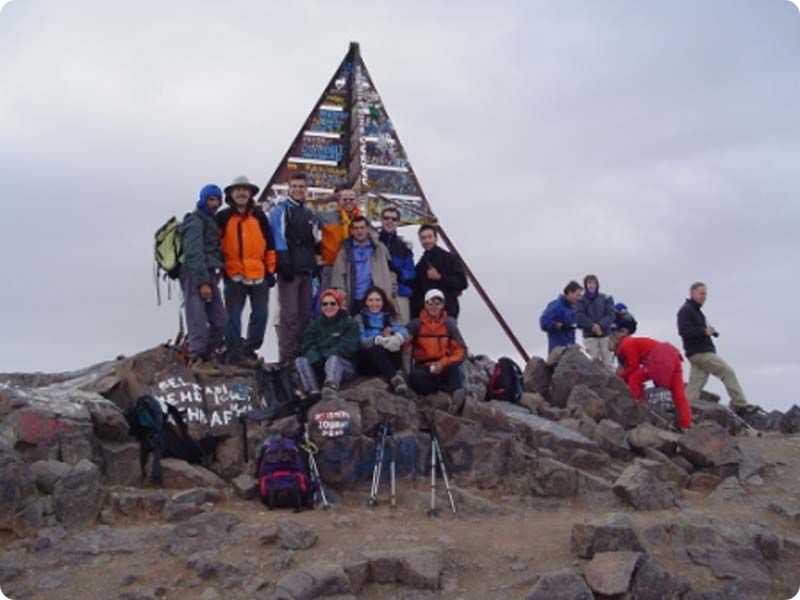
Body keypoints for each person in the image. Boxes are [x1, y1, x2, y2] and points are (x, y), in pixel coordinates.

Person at [215, 176, 276, 366]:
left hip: (258, 275)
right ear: (231, 194)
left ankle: (249, 349)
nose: (241, 193)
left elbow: (270, 244)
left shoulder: (259, 216)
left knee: (260, 315)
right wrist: (222, 269)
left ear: (250, 193)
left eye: (245, 190)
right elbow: (215, 245)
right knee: (232, 317)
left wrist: (270, 271)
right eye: (237, 190)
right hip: (234, 275)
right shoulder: (223, 217)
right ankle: (234, 352)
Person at [677, 282, 755, 414]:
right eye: (701, 293)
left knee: (695, 386)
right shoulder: (686, 310)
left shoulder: (696, 310)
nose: (704, 296)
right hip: (701, 353)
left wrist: (710, 332)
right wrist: (703, 332)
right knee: (727, 372)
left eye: (705, 294)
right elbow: (684, 331)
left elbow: (695, 329)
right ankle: (740, 404)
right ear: (692, 293)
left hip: (696, 353)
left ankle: (682, 412)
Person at [270, 172, 320, 362]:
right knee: (289, 316)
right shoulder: (281, 210)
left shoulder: (309, 213)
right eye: (295, 186)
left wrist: (315, 265)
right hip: (289, 270)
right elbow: (278, 236)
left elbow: (315, 240)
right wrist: (284, 264)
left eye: (302, 187)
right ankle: (287, 358)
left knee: (306, 316)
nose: (299, 190)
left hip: (307, 269)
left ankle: (302, 356)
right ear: (289, 188)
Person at [178, 184, 227, 371]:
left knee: (220, 320)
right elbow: (193, 253)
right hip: (194, 274)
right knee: (196, 316)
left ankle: (206, 353)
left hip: (209, 274)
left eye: (217, 200)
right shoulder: (194, 221)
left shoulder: (209, 220)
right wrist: (203, 282)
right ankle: (196, 356)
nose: (214, 204)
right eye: (211, 199)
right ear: (203, 199)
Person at [610, 333, 692, 430]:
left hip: (657, 359)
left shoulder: (626, 345)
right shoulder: (634, 341)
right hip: (672, 357)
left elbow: (633, 366)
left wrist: (619, 377)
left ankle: (638, 404)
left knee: (634, 379)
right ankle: (686, 424)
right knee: (679, 395)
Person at [295, 288, 360, 401]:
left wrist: (326, 356)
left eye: (332, 303)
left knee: (333, 359)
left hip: (344, 366)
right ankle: (313, 391)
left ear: (339, 305)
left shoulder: (349, 323)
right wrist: (315, 358)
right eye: (325, 304)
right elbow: (308, 344)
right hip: (319, 363)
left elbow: (349, 345)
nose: (328, 307)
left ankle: (331, 387)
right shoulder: (315, 325)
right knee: (301, 360)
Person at [406, 289, 467, 410]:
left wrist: (442, 363)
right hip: (424, 368)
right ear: (425, 305)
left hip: (444, 365)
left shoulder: (449, 325)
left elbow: (461, 351)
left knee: (454, 369)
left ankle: (457, 399)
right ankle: (445, 391)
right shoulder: (415, 325)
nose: (434, 306)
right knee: (414, 378)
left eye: (437, 303)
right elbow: (404, 346)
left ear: (443, 305)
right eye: (430, 303)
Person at [331, 216, 394, 315]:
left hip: (374, 299)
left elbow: (391, 270)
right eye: (356, 228)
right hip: (352, 299)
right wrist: (341, 295)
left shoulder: (379, 248)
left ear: (368, 229)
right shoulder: (345, 251)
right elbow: (338, 276)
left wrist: (390, 291)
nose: (359, 231)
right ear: (351, 231)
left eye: (362, 227)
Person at [354, 286, 410, 396]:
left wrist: (397, 337)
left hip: (386, 359)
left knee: (394, 344)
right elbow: (359, 340)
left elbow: (403, 330)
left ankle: (397, 374)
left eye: (377, 300)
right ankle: (395, 379)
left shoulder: (389, 316)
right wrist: (378, 339)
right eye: (371, 300)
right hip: (367, 361)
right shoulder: (359, 318)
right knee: (377, 348)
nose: (374, 304)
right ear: (365, 302)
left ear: (383, 301)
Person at [411, 225, 468, 320]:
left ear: (436, 238)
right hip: (426, 317)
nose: (427, 241)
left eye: (429, 237)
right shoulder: (421, 264)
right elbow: (416, 291)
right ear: (420, 240)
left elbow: (462, 282)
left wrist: (440, 277)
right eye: (423, 238)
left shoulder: (450, 258)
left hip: (447, 313)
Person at [317, 188, 362, 290]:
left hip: (356, 267)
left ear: (357, 201)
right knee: (329, 301)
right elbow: (306, 210)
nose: (348, 202)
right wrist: (325, 199)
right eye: (345, 199)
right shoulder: (328, 217)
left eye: (351, 199)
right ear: (338, 201)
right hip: (332, 267)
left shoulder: (361, 220)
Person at [378, 206, 415, 324]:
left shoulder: (404, 247)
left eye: (393, 219)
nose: (390, 221)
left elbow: (411, 273)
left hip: (399, 292)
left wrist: (398, 271)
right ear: (381, 220)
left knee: (401, 328)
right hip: (376, 292)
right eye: (386, 218)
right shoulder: (373, 242)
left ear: (398, 222)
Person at [574, 274, 616, 368]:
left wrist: (600, 325)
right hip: (589, 336)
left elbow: (611, 314)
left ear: (597, 284)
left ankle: (612, 382)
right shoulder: (580, 300)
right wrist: (592, 326)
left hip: (605, 335)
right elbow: (579, 315)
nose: (591, 285)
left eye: (594, 283)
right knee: (593, 362)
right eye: (589, 283)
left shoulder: (606, 298)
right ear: (585, 285)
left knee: (608, 362)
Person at [539, 281, 583, 354]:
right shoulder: (556, 306)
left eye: (580, 295)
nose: (579, 298)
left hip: (570, 349)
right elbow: (543, 321)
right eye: (577, 295)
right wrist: (560, 326)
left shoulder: (573, 308)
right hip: (558, 352)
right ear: (569, 292)